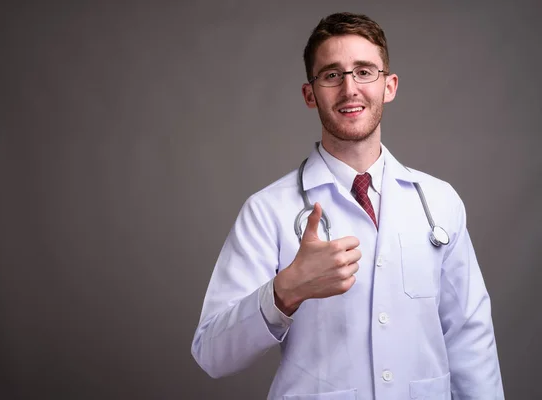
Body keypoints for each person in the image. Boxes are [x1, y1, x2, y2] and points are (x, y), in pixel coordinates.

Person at [191, 12, 504, 400]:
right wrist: (283, 292)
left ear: (389, 86)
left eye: (364, 71)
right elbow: (212, 355)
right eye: (332, 75)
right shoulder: (267, 210)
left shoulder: (439, 202)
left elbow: (470, 337)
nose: (350, 88)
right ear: (310, 94)